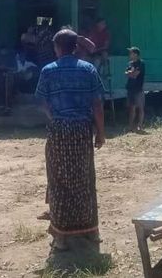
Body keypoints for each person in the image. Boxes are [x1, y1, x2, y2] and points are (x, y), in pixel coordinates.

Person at [35, 28, 106, 251]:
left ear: (57, 48)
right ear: (75, 47)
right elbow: (97, 105)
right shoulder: (88, 69)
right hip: (82, 131)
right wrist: (101, 133)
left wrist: (55, 117)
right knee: (84, 179)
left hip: (59, 131)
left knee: (59, 181)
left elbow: (42, 101)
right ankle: (90, 232)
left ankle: (62, 237)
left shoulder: (48, 71)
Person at [125, 47, 146, 133]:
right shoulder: (130, 63)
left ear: (136, 54)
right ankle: (131, 126)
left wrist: (131, 73)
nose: (130, 55)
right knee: (131, 108)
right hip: (130, 88)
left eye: (131, 53)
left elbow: (135, 75)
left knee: (140, 108)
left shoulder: (141, 63)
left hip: (138, 88)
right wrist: (131, 73)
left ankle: (140, 126)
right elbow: (126, 73)